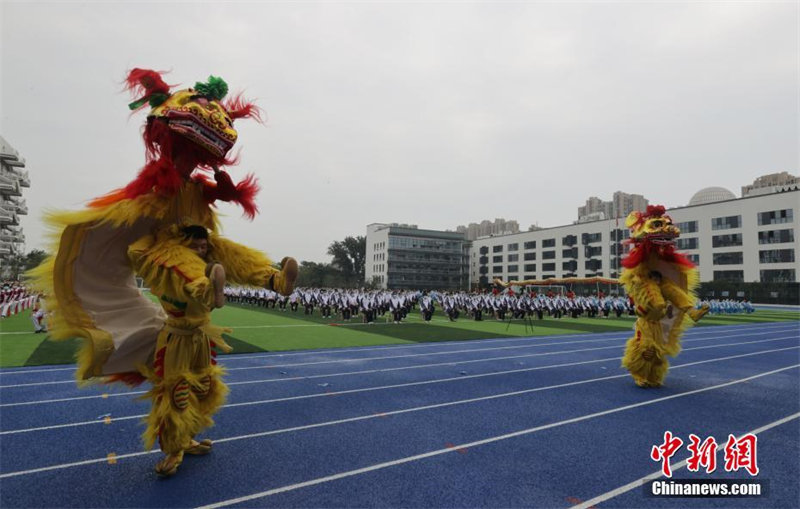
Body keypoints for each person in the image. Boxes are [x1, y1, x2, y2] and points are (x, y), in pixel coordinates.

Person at [30, 69, 298, 477]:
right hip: (170, 289)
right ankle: (172, 446)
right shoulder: (160, 191)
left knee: (204, 385)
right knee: (175, 387)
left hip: (198, 329)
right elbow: (140, 233)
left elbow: (211, 239)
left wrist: (215, 203)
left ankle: (274, 279)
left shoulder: (196, 196)